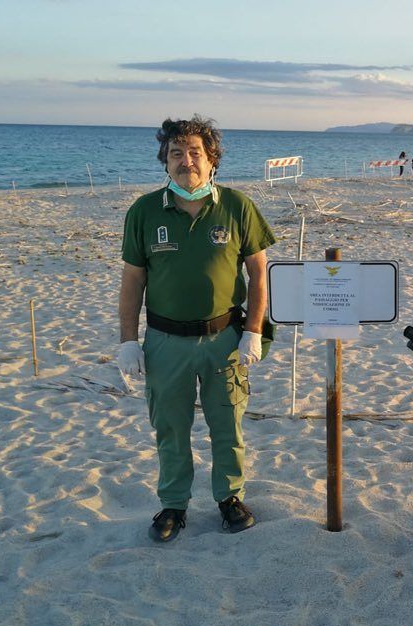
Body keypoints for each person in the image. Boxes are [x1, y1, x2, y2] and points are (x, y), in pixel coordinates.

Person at [117, 115, 276, 543]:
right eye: (176, 153)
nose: (186, 161)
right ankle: (173, 504)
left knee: (228, 424)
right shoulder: (144, 211)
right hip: (164, 342)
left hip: (224, 339)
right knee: (170, 428)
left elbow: (259, 274)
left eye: (195, 153)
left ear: (212, 160)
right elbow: (132, 280)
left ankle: (230, 497)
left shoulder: (237, 206)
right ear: (165, 161)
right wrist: (128, 341)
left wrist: (253, 330)